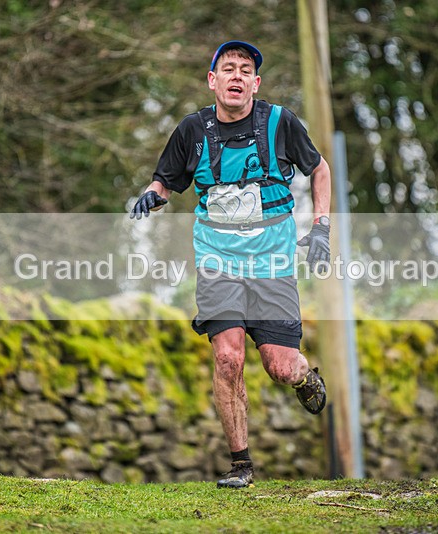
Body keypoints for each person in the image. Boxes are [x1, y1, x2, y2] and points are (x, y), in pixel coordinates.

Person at [130, 40, 331, 489]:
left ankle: (303, 376)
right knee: (227, 357)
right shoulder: (192, 130)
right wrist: (152, 196)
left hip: (272, 263)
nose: (236, 76)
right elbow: (166, 180)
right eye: (228, 69)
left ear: (255, 84)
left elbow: (320, 169)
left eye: (245, 70)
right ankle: (241, 465)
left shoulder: (280, 123)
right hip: (217, 261)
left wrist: (321, 226)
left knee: (279, 365)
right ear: (213, 80)